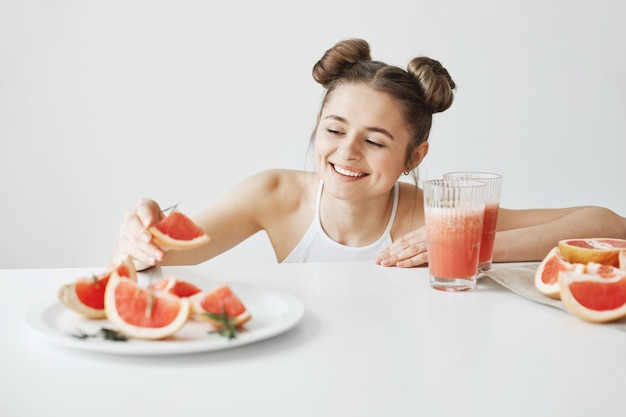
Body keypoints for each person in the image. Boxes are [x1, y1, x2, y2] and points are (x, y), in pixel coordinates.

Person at [113, 38, 626, 271]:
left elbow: (608, 224)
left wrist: (476, 245)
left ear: (414, 158)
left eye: (376, 141)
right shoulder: (272, 194)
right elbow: (166, 256)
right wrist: (139, 237)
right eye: (334, 129)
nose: (347, 152)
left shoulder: (435, 218)